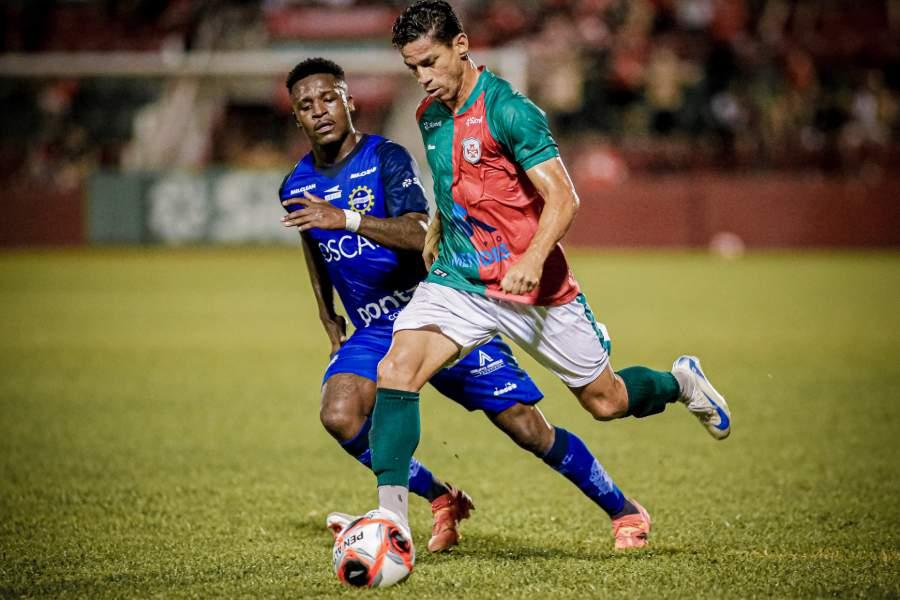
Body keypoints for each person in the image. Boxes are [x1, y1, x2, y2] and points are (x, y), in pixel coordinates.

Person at [353, 0, 732, 549]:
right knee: (397, 368)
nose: (423, 78)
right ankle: (391, 525)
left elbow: (563, 196)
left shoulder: (512, 111)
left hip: (535, 291)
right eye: (413, 68)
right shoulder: (429, 116)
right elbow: (453, 180)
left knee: (607, 401)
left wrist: (531, 260)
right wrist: (438, 225)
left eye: (430, 63)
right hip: (459, 282)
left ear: (461, 45)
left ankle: (681, 383)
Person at [279, 57, 662, 552]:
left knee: (526, 426)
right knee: (340, 414)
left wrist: (347, 218)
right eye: (306, 105)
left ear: (350, 101)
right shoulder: (294, 184)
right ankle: (437, 500)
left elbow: (418, 231)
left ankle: (623, 509)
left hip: (439, 312)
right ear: (296, 117)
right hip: (375, 326)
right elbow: (313, 237)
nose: (320, 111)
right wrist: (325, 308)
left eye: (328, 97)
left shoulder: (386, 158)